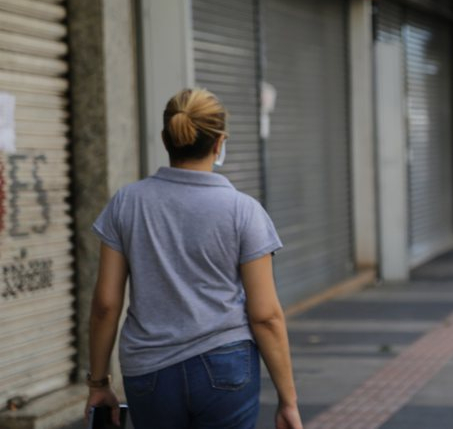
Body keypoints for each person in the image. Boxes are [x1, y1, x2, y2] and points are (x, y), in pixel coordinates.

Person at [83, 88, 303, 429]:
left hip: (149, 369)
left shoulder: (127, 203)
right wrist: (287, 401)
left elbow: (105, 305)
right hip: (226, 364)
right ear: (220, 143)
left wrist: (98, 383)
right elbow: (266, 316)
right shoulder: (243, 212)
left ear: (165, 138)